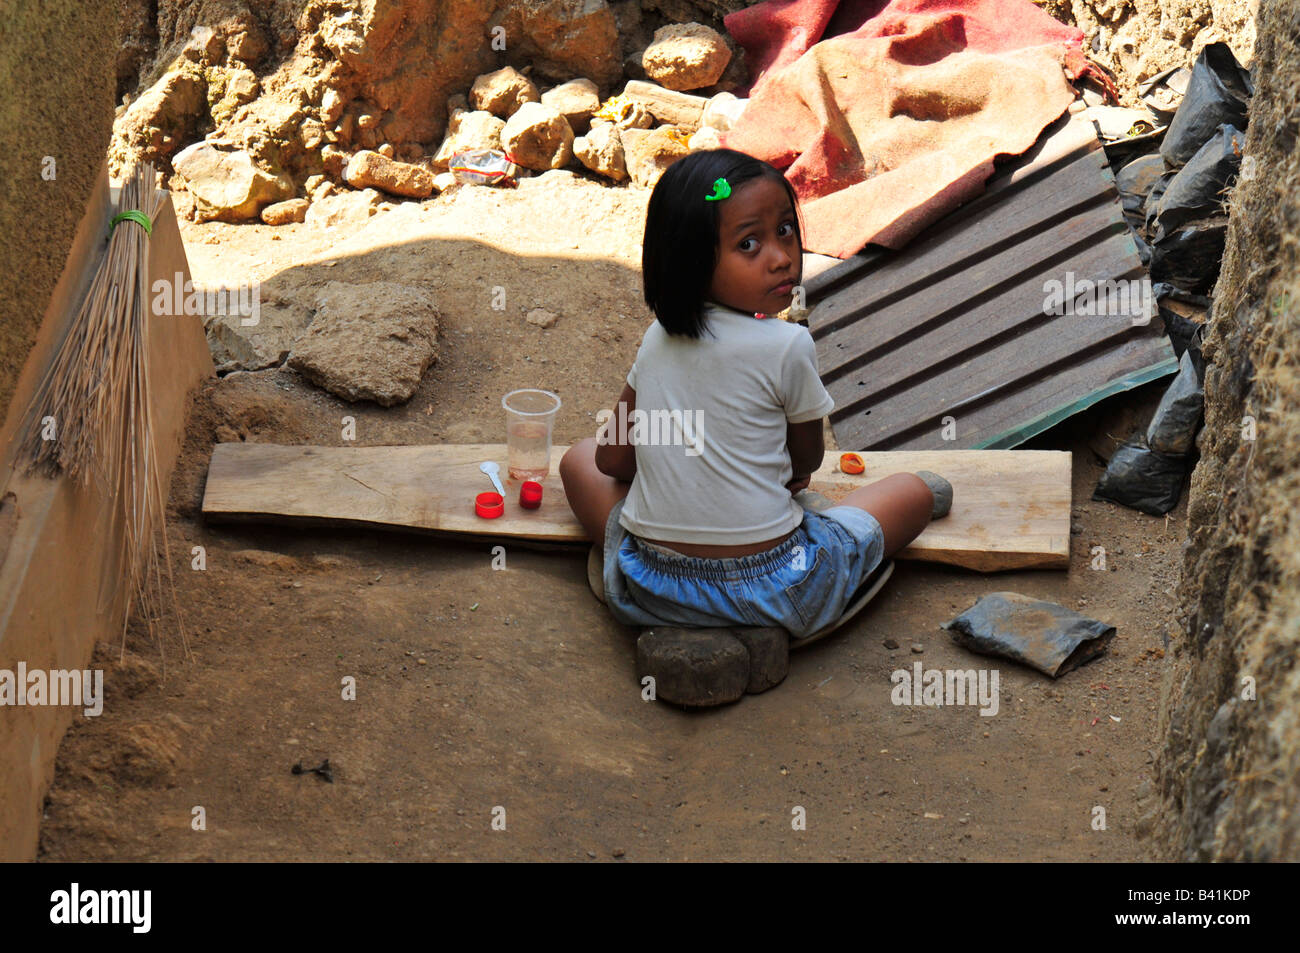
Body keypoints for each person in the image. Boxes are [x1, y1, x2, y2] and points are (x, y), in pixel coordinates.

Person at [560, 148, 951, 639]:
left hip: (655, 587)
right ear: (691, 263)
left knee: (577, 459)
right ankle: (759, 631)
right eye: (749, 244)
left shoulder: (658, 337)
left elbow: (612, 461)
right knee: (913, 493)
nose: (781, 257)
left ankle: (689, 636)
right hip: (781, 586)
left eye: (785, 230)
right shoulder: (788, 345)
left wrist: (677, 483)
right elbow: (804, 463)